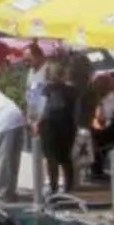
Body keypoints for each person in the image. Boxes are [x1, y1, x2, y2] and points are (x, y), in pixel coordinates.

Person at [37, 63, 79, 196]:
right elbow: (77, 111)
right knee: (66, 156)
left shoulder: (46, 89)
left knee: (51, 157)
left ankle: (53, 186)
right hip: (68, 124)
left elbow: (42, 109)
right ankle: (69, 185)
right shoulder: (73, 90)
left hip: (49, 125)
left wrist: (36, 122)